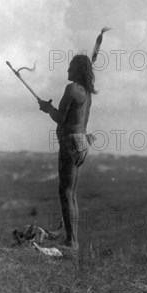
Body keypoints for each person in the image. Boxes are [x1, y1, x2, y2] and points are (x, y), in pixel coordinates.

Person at [38, 54, 97, 250]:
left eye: (71, 67)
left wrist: (47, 109)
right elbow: (82, 122)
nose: (67, 70)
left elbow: (60, 118)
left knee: (65, 192)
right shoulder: (86, 93)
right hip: (82, 143)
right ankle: (72, 240)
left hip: (70, 143)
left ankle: (71, 242)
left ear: (78, 70)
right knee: (71, 194)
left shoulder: (72, 89)